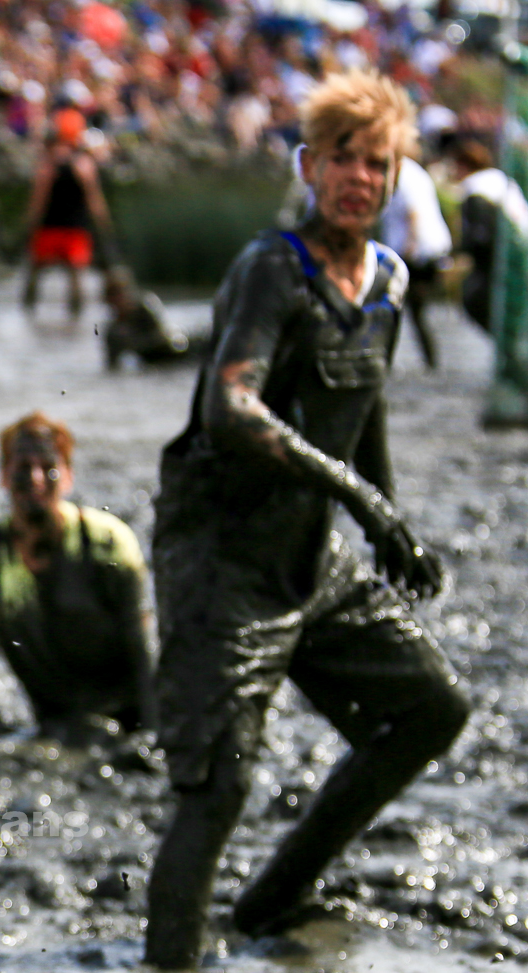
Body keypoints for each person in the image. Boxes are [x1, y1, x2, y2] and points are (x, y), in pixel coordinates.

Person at [144, 71, 470, 969]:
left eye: (378, 162)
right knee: (220, 784)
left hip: (309, 552)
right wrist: (362, 501)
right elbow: (231, 409)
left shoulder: (390, 281)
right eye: (342, 159)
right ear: (307, 164)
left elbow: (365, 414)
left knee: (430, 708)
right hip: (220, 552)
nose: (360, 176)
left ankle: (273, 899)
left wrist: (387, 517)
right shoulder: (270, 268)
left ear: (398, 176)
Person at [0, 413, 153, 744]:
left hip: (129, 716)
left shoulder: (108, 543)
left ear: (69, 477)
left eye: (49, 467)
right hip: (55, 724)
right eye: (22, 467)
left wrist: (151, 734)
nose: (36, 478)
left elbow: (142, 648)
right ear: (3, 476)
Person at [22, 107, 113, 320]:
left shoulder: (46, 165)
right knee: (76, 280)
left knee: (34, 276)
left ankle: (27, 315)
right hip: (76, 230)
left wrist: (28, 227)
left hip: (48, 228)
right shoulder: (84, 164)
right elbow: (95, 201)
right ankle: (75, 319)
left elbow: (37, 201)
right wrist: (104, 227)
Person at [379, 153, 452, 368]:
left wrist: (407, 252)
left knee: (401, 308)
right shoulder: (409, 172)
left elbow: (414, 214)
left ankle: (423, 360)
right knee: (410, 311)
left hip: (418, 255)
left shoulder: (408, 176)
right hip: (415, 252)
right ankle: (428, 360)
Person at [452, 138, 528, 332]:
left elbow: (482, 236)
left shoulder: (476, 190)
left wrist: (460, 254)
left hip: (506, 261)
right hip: (521, 249)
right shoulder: (497, 178)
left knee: (477, 301)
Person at [101, 265, 203, 370]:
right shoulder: (113, 333)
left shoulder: (145, 308)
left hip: (177, 352)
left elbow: (165, 337)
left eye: (120, 293)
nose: (118, 300)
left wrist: (135, 342)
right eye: (112, 295)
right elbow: (112, 366)